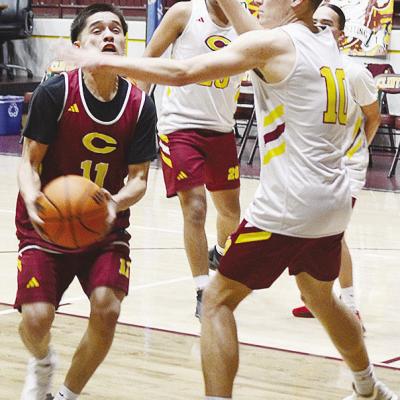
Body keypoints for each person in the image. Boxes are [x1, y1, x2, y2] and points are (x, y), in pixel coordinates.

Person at [60, 0, 398, 398]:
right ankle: (368, 386)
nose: (258, 7)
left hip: (289, 207)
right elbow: (254, 26)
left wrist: (102, 62)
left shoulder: (275, 45)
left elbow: (183, 72)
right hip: (333, 203)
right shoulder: (323, 39)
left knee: (218, 302)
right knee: (320, 295)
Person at [15, 4, 157, 400]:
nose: (108, 35)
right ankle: (42, 361)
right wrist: (31, 198)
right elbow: (29, 161)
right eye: (96, 30)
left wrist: (114, 203)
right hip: (47, 221)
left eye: (116, 29)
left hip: (103, 224)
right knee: (37, 318)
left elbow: (140, 179)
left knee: (107, 308)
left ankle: (67, 395)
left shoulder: (140, 104)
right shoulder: (56, 92)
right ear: (79, 44)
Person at [137, 0, 242, 318]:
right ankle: (202, 290)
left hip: (222, 128)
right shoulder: (184, 12)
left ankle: (221, 254)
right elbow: (148, 60)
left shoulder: (245, 23)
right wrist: (136, 113)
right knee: (195, 208)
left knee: (231, 212)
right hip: (179, 126)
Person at [292, 3, 381, 327]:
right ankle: (318, 297)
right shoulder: (300, 66)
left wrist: (356, 152)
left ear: (341, 33)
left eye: (327, 23)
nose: (320, 27)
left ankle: (350, 303)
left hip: (345, 167)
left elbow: (373, 117)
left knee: (332, 234)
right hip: (309, 165)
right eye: (315, 22)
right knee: (307, 231)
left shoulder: (354, 72)